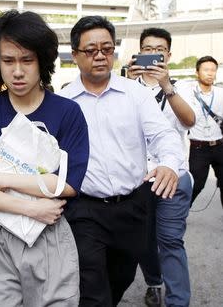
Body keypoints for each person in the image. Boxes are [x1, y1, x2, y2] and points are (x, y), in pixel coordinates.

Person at [0, 10, 89, 307]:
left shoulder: (67, 113)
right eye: (8, 61)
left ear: (42, 60)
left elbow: (66, 185)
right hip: (0, 233)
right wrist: (31, 208)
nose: (17, 71)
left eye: (27, 60)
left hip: (51, 234)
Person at [58, 16, 184, 306]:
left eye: (107, 48)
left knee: (121, 277)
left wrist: (168, 164)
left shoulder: (136, 94)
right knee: (92, 285)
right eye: (90, 50)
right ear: (75, 55)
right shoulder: (64, 102)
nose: (100, 56)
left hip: (132, 207)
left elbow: (164, 135)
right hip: (84, 209)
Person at [126, 27, 195, 307]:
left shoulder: (181, 86)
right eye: (147, 49)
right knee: (142, 242)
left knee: (169, 241)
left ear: (168, 54)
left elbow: (189, 121)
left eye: (160, 51)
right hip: (137, 179)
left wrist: (168, 86)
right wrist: (125, 83)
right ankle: (154, 282)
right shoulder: (125, 87)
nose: (153, 55)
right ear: (139, 52)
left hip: (173, 176)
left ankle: (178, 302)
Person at [186, 56, 223, 208]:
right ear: (197, 72)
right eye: (206, 70)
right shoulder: (187, 93)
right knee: (196, 185)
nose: (210, 73)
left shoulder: (221, 93)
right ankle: (179, 213)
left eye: (213, 70)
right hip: (198, 148)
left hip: (220, 146)